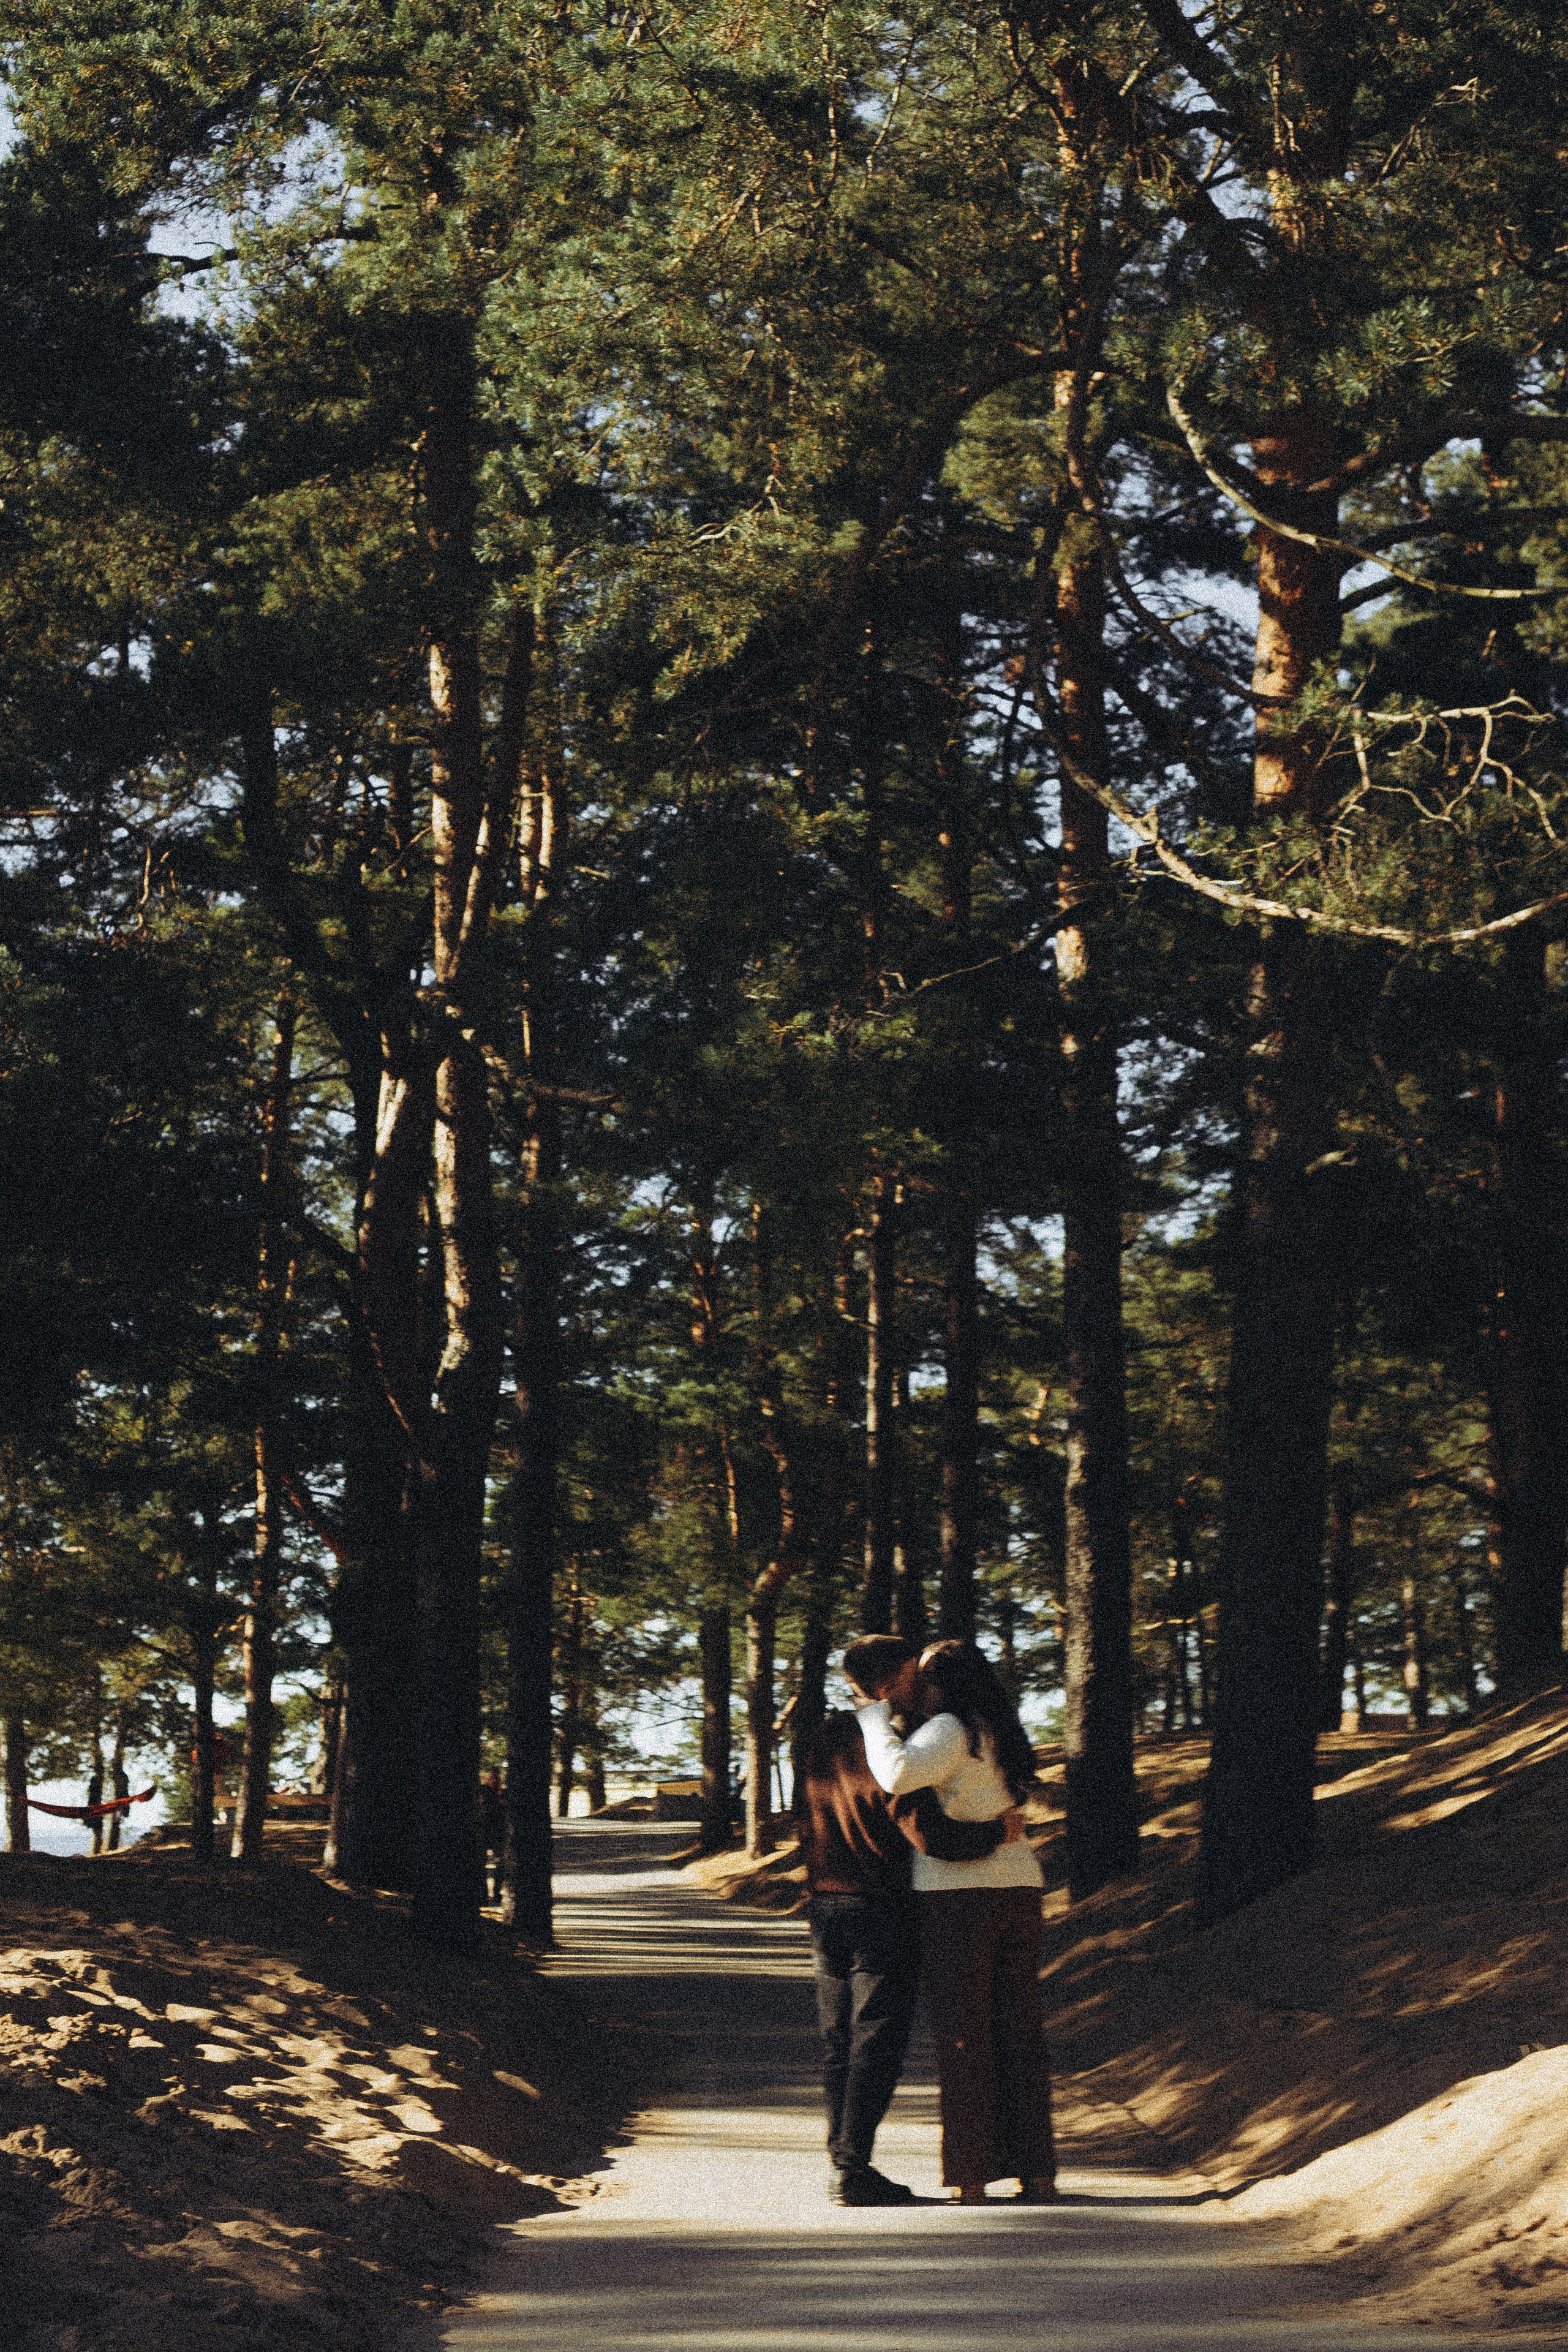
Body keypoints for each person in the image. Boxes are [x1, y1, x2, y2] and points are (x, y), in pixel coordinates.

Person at [793, 1633, 1017, 2207]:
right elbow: (928, 1832)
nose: (924, 1680)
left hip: (825, 1903)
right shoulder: (891, 1743)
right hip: (881, 1906)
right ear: (893, 1682)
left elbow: (806, 1816)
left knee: (837, 2039)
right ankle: (851, 2167)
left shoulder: (822, 1738)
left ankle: (843, 2162)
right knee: (877, 2039)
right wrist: (998, 1833)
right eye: (915, 1672)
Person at [854, 1637, 1056, 2206]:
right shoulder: (1001, 1731)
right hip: (1020, 1887)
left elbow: (895, 1775)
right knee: (1019, 2031)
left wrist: (873, 1717)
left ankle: (972, 2175)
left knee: (965, 2036)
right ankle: (1037, 2171)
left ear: (940, 1681)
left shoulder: (948, 1729)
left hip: (959, 1896)